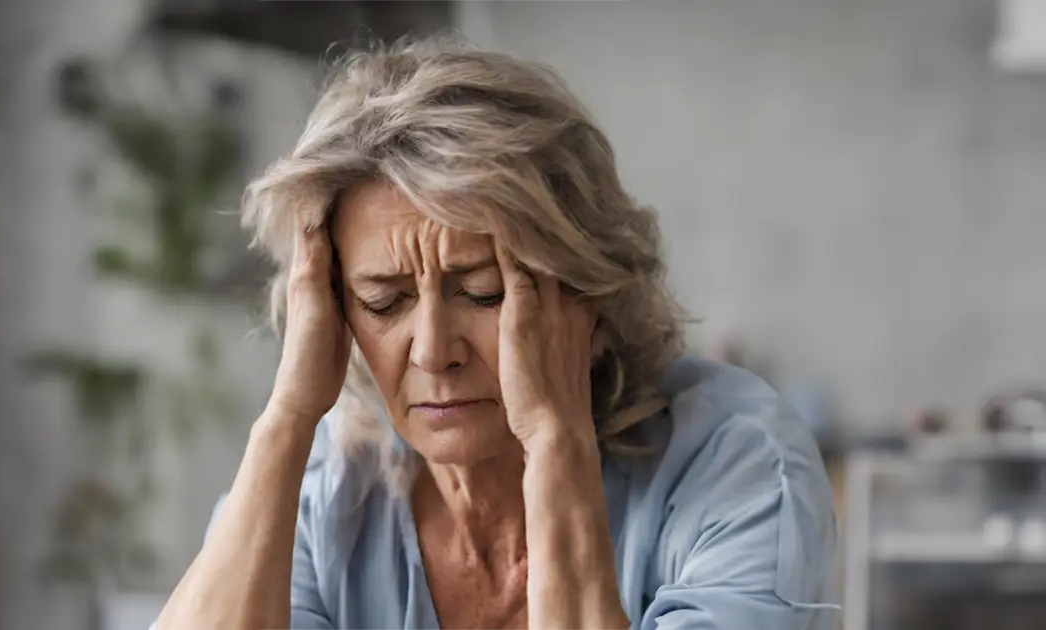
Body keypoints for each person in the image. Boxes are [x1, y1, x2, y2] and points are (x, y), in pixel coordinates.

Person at [154, 38, 837, 630]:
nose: (432, 352)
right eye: (383, 301)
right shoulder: (326, 494)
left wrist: (556, 444)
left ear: (585, 286)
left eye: (482, 293)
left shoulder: (740, 468)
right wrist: (289, 418)